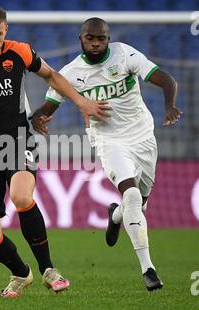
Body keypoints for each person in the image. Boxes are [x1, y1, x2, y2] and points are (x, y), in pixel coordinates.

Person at [0, 6, 110, 298]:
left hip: (17, 140)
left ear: (5, 30)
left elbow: (52, 76)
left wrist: (81, 102)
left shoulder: (19, 52)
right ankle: (21, 273)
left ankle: (49, 270)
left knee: (21, 196)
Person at [32, 17, 182, 291]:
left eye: (101, 38)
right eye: (91, 38)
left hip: (143, 137)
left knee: (139, 205)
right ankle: (148, 269)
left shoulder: (125, 55)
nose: (96, 43)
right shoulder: (71, 72)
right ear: (81, 40)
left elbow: (166, 79)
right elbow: (48, 107)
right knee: (133, 196)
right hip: (108, 140)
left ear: (108, 39)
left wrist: (170, 105)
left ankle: (115, 216)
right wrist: (37, 118)